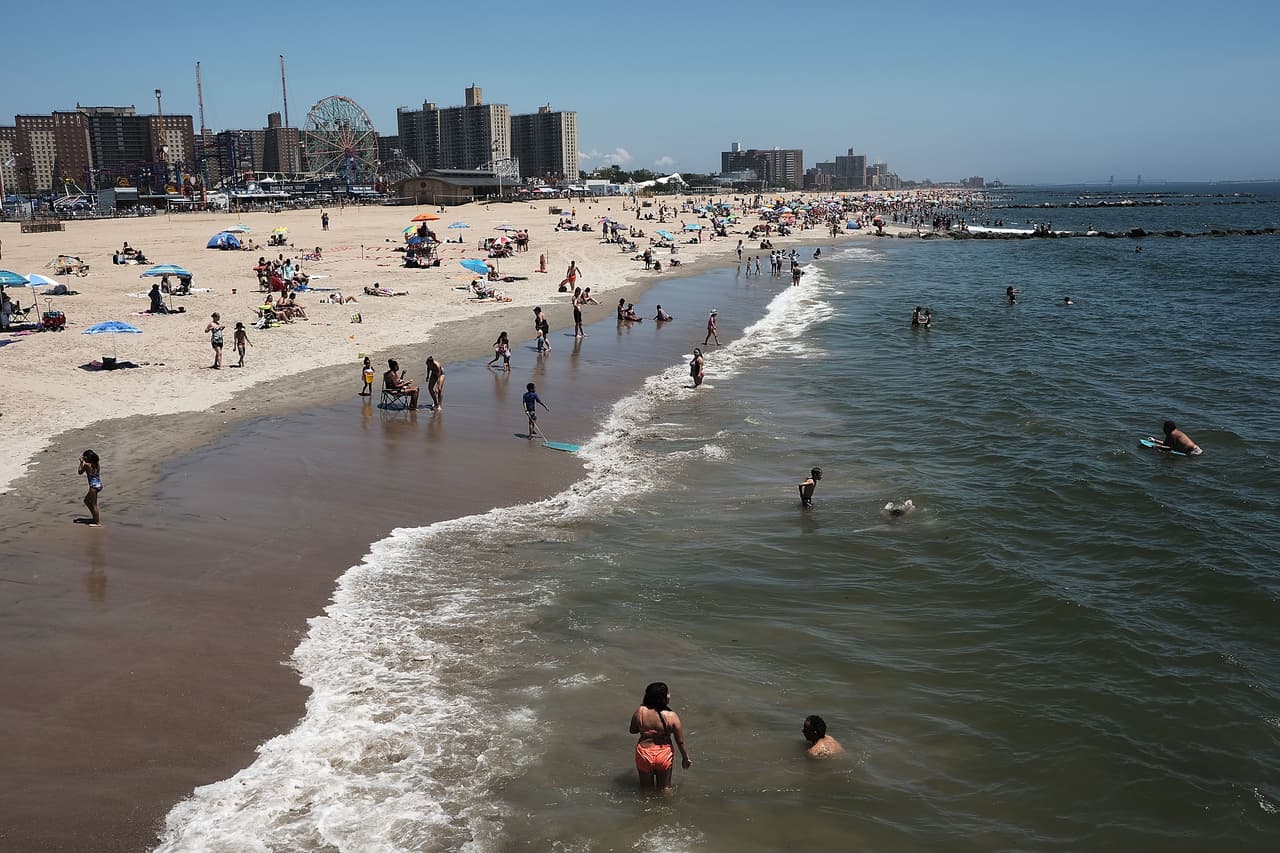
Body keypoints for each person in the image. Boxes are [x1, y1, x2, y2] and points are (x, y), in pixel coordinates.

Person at [629, 682, 692, 792]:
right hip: (663, 755)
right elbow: (680, 741)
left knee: (645, 789)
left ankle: (644, 808)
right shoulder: (671, 716)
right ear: (662, 697)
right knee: (664, 789)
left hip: (644, 754)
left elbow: (632, 730)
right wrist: (685, 758)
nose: (669, 695)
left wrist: (647, 730)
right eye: (668, 693)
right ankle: (666, 808)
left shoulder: (640, 711)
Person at [78, 449, 103, 527]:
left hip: (93, 486)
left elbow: (79, 472)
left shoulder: (87, 465)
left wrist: (81, 463)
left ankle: (97, 522)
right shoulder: (96, 464)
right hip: (99, 485)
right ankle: (95, 518)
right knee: (86, 501)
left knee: (94, 504)